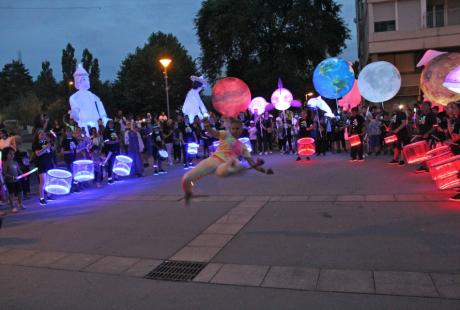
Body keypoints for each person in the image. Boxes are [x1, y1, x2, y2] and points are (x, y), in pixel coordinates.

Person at [182, 118, 274, 205]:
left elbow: (252, 163)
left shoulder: (242, 146)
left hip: (226, 165)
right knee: (186, 178)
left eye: (237, 128)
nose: (234, 131)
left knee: (225, 168)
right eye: (232, 128)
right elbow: (213, 133)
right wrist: (206, 125)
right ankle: (188, 193)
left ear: (241, 129)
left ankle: (234, 165)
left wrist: (265, 171)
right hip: (213, 160)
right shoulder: (225, 134)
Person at [32, 130, 54, 205]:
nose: (42, 135)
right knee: (43, 181)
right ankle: (42, 198)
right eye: (40, 134)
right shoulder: (35, 143)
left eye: (44, 134)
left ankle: (49, 195)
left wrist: (49, 147)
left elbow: (50, 152)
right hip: (41, 164)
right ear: (37, 135)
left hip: (48, 163)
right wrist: (46, 148)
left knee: (48, 180)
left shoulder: (46, 142)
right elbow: (38, 154)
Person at [2, 147, 23, 213]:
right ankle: (13, 207)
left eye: (13, 154)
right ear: (6, 155)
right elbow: (4, 173)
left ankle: (20, 204)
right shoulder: (5, 163)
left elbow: (18, 170)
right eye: (10, 154)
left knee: (20, 192)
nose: (12, 155)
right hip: (10, 181)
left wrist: (22, 174)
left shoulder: (15, 162)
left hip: (17, 180)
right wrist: (12, 177)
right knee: (11, 194)